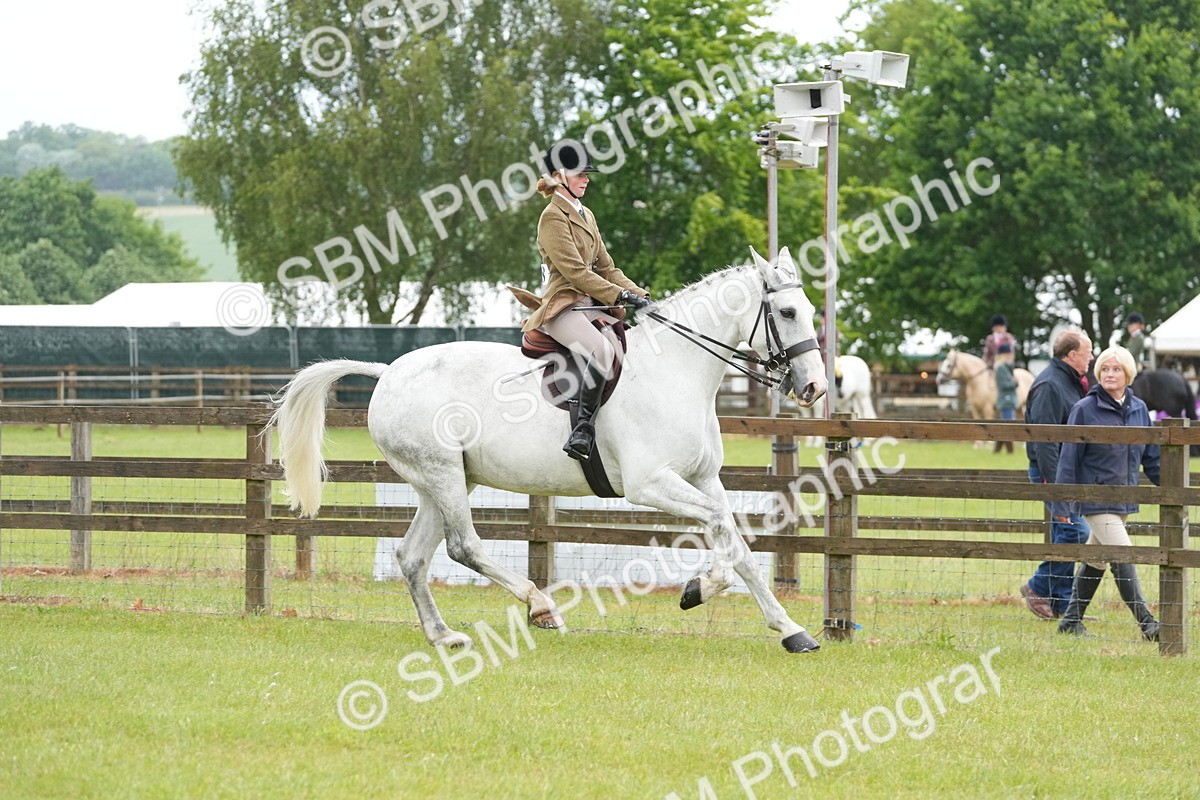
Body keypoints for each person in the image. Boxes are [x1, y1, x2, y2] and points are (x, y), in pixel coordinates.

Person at [511, 141, 650, 462]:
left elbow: (607, 268)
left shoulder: (586, 214)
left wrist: (641, 295)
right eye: (580, 174)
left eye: (587, 174)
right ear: (559, 176)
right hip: (564, 306)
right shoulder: (552, 217)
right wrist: (620, 296)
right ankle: (583, 430)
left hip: (591, 305)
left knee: (632, 344)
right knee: (602, 350)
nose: (586, 179)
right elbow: (575, 272)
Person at [1053, 345, 1161, 641]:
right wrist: (1061, 504)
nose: (1109, 374)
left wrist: (1175, 491)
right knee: (1122, 554)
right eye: (1104, 369)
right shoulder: (1084, 409)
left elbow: (1151, 457)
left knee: (1098, 557)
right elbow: (1069, 460)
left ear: (1128, 373)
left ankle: (1070, 621)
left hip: (1125, 498)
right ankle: (1148, 624)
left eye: (1116, 369)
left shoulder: (1139, 409)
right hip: (1095, 498)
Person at [1018, 329, 1092, 619]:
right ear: (1072, 355)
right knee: (1076, 530)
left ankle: (1062, 603)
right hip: (1053, 472)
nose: (1091, 357)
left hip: (1066, 471)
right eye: (1087, 352)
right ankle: (1037, 586)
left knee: (1065, 531)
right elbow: (1045, 441)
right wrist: (1056, 487)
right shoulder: (1050, 385)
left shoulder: (1068, 381)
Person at [993, 342, 1017, 454]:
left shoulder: (1007, 368)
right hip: (1005, 400)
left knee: (1006, 425)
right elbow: (1004, 385)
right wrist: (1015, 382)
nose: (1010, 356)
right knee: (1008, 426)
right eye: (1008, 354)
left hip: (1009, 399)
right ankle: (1010, 450)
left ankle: (997, 450)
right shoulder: (1000, 368)